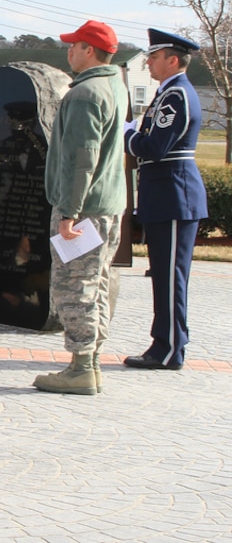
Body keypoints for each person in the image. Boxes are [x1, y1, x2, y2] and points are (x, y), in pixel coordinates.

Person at [33, 20, 126, 395]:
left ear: (89, 49)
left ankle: (81, 367)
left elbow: (82, 159)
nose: (68, 51)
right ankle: (91, 362)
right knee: (96, 284)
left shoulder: (86, 93)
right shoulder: (114, 87)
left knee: (75, 286)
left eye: (74, 45)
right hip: (106, 206)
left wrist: (69, 212)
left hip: (83, 209)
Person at [122, 28, 208, 372]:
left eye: (154, 57)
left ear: (173, 60)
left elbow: (155, 147)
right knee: (162, 274)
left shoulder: (176, 96)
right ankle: (163, 344)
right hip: (165, 194)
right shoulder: (167, 93)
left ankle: (170, 349)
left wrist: (127, 134)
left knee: (170, 276)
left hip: (175, 195)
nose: (149, 62)